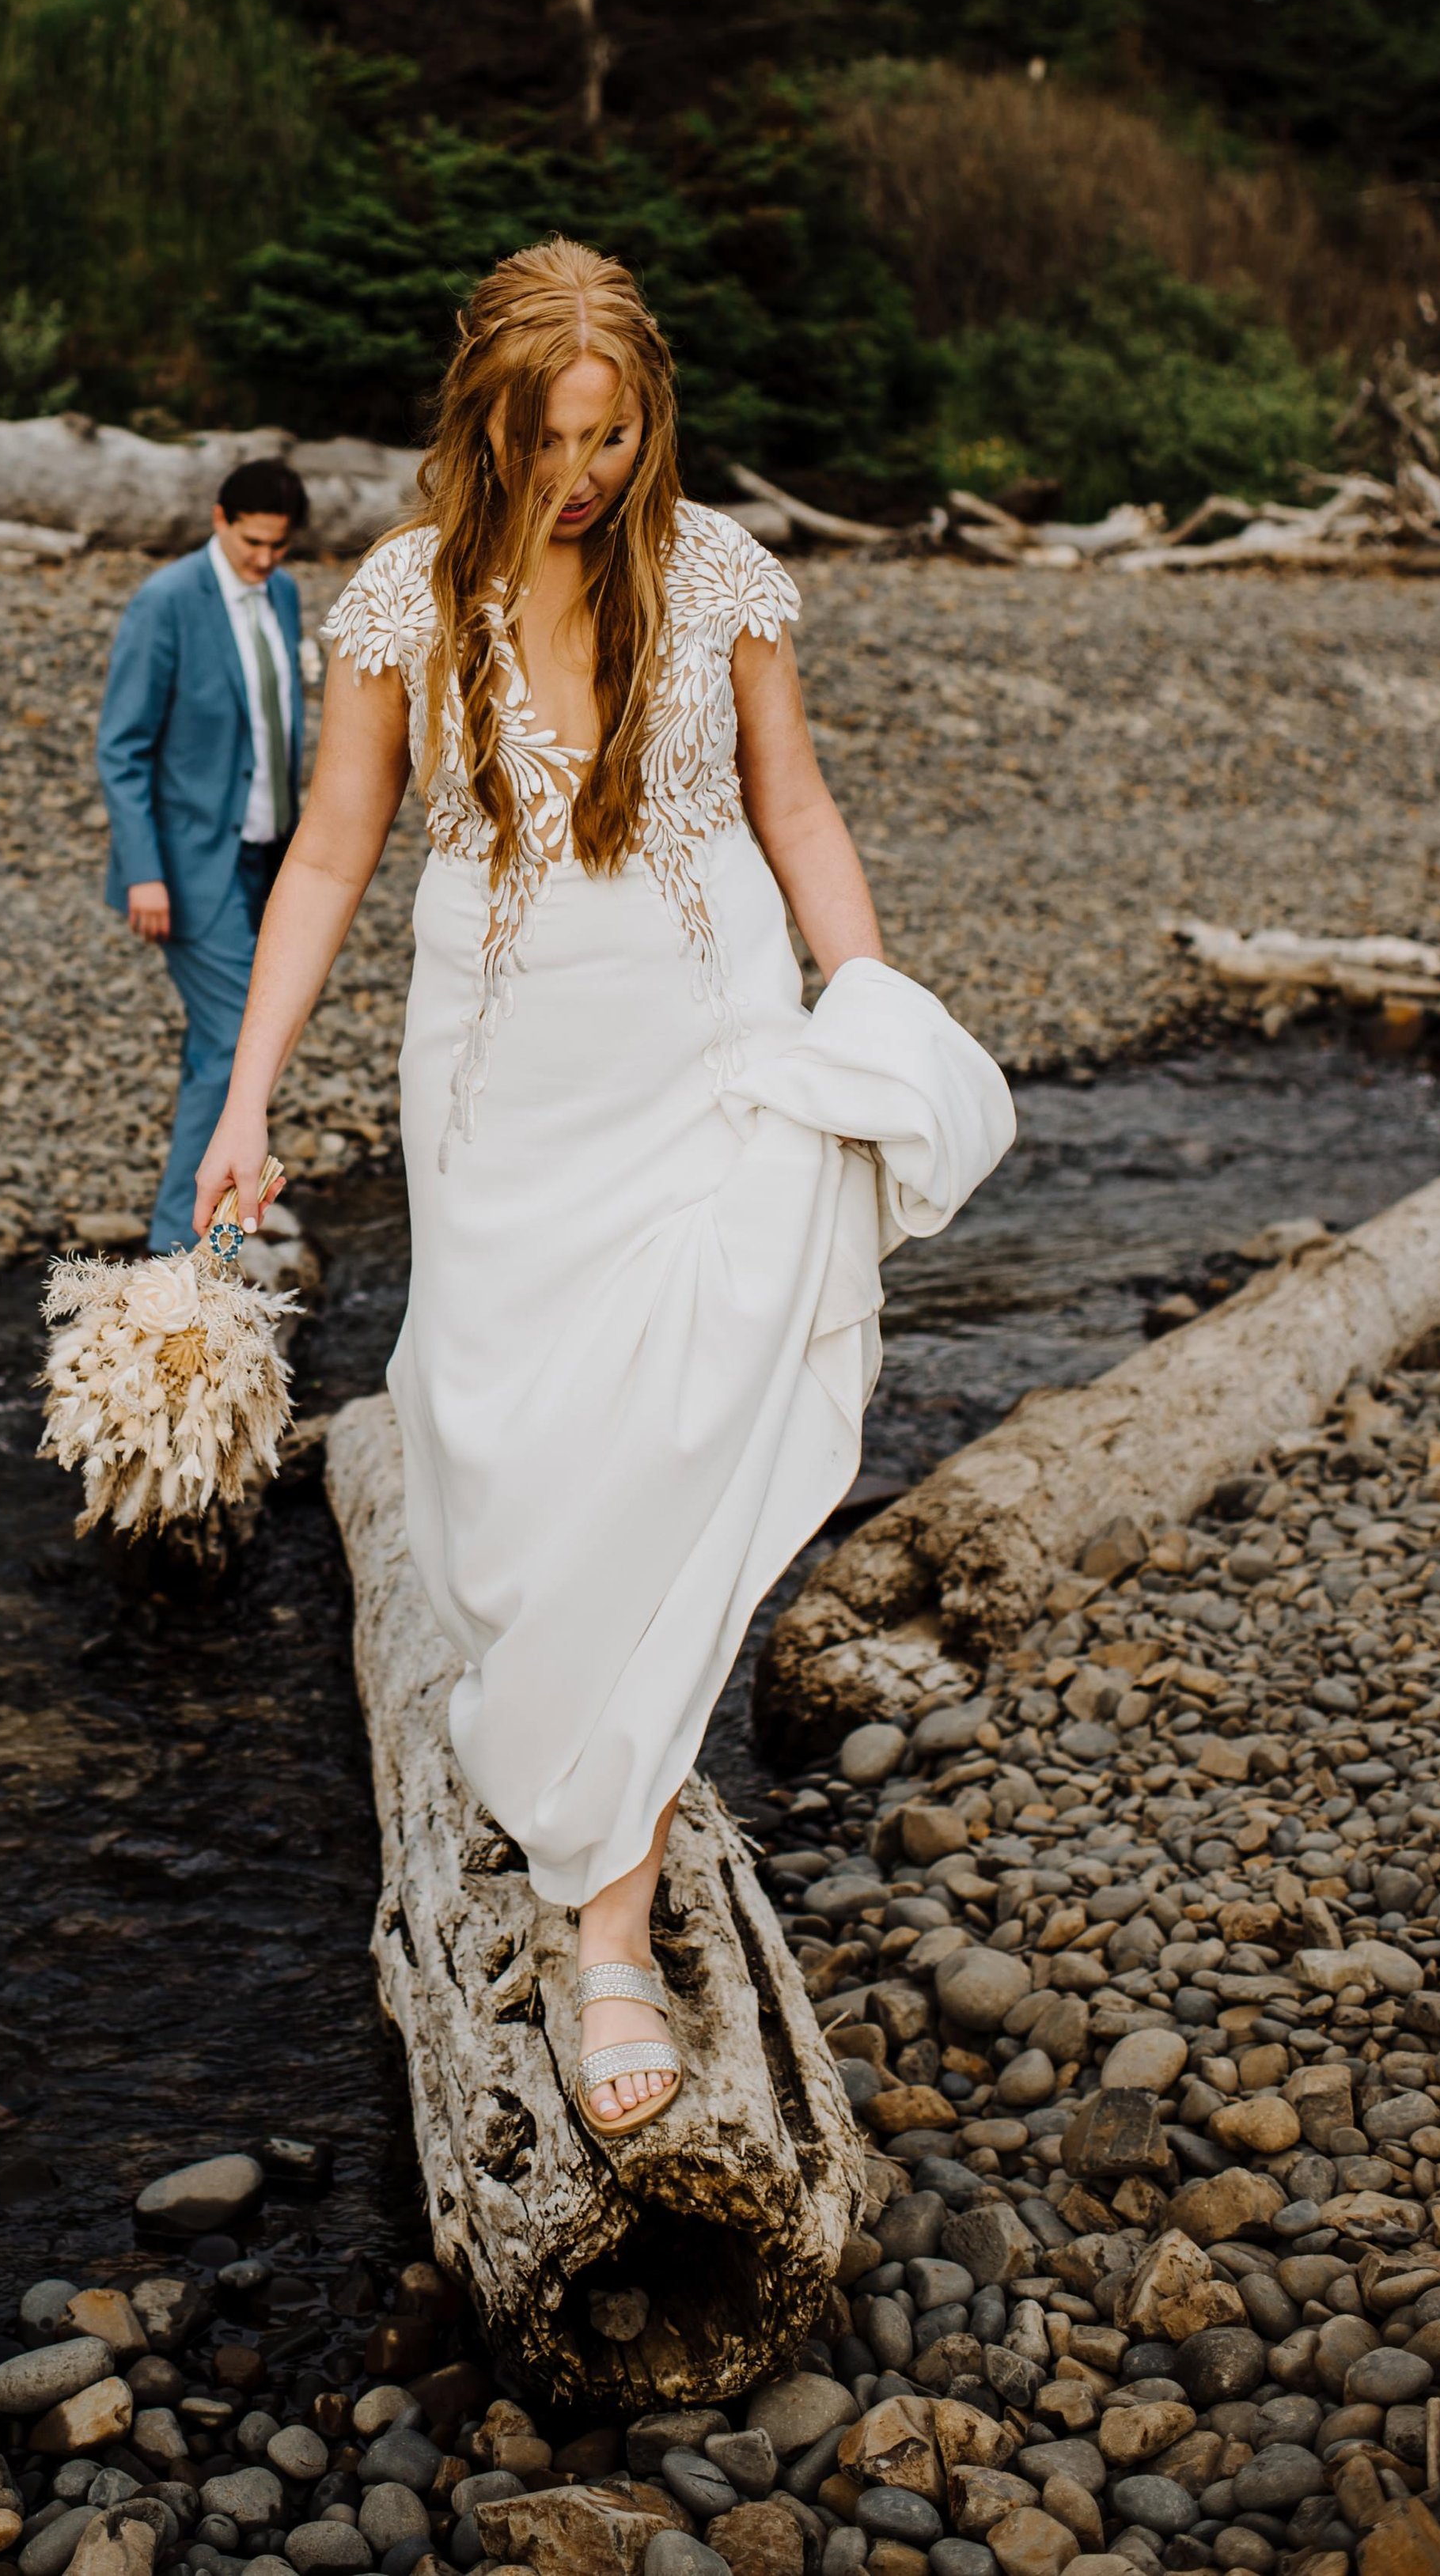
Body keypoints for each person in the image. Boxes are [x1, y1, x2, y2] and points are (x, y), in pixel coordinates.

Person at [191, 241, 1015, 2138]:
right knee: (507, 1470)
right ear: (484, 420)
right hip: (500, 1092)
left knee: (670, 1453)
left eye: (618, 428)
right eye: (555, 434)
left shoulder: (713, 569)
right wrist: (245, 1102)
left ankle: (612, 1926)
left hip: (711, 1051)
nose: (588, 469)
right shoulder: (405, 598)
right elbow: (326, 859)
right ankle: (561, 1750)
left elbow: (795, 804)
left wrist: (866, 1006)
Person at [96, 459, 309, 1252]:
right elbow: (121, 748)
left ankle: (204, 1223)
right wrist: (144, 870)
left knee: (218, 1045)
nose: (264, 560)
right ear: (220, 519)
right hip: (189, 867)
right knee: (236, 1040)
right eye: (252, 542)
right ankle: (180, 1251)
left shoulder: (282, 595)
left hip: (270, 855)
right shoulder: (166, 602)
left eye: (278, 547)